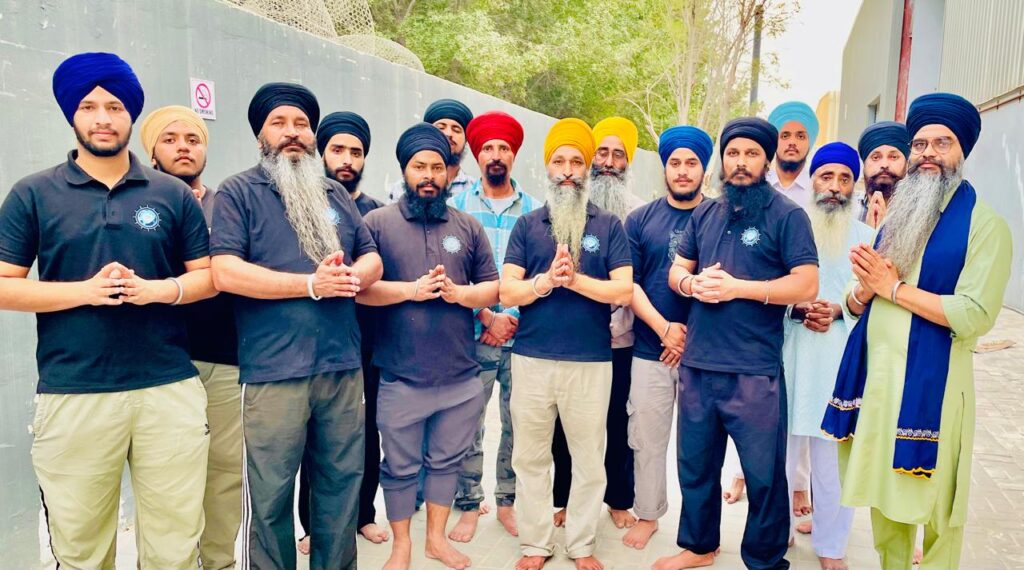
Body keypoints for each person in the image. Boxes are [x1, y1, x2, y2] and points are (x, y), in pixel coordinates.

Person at [0, 52, 215, 569]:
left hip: (168, 389)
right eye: (90, 107)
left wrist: (157, 290)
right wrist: (86, 292)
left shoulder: (170, 193)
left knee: (174, 546)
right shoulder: (33, 193)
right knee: (81, 548)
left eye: (115, 107)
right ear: (72, 114)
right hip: (74, 392)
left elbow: (207, 277)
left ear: (131, 114)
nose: (103, 118)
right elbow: (5, 286)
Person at [823, 93, 1013, 570]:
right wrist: (863, 291)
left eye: (942, 143)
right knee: (886, 507)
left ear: (962, 151)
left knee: (937, 517)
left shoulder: (985, 226)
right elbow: (857, 300)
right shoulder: (898, 217)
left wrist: (892, 288)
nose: (928, 153)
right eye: (920, 144)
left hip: (937, 393)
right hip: (879, 387)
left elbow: (974, 313)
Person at [210, 82, 383, 570]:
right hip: (273, 371)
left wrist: (354, 276)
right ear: (260, 135)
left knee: (341, 489)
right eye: (279, 123)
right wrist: (310, 284)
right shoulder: (238, 192)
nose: (292, 133)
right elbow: (225, 272)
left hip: (342, 366)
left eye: (302, 124)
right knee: (270, 497)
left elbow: (371, 256)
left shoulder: (334, 193)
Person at [658, 117, 819, 570]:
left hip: (754, 371)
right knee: (695, 465)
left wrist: (738, 288)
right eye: (733, 153)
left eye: (751, 154)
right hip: (698, 365)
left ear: (766, 160)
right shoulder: (705, 213)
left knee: (763, 475)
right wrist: (690, 284)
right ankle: (699, 547)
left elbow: (806, 284)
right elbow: (677, 269)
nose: (741, 162)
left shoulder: (787, 215)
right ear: (723, 160)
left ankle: (765, 559)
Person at [358, 122, 500, 570]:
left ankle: (435, 541)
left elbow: (492, 288)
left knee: (446, 463)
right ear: (405, 170)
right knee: (399, 467)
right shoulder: (377, 223)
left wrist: (460, 294)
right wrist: (411, 291)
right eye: (419, 166)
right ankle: (401, 546)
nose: (429, 176)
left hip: (460, 376)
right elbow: (360, 291)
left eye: (437, 168)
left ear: (449, 173)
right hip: (400, 375)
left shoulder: (467, 226)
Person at [500, 118, 634, 570]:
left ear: (588, 168)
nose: (568, 171)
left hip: (590, 363)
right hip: (532, 361)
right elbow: (507, 292)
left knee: (589, 460)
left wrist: (574, 280)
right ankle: (535, 543)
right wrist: (544, 282)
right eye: (559, 161)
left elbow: (623, 290)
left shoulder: (608, 225)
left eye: (577, 161)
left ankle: (581, 543)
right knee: (530, 457)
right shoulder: (527, 225)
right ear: (548, 167)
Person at [139, 104, 242, 570]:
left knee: (223, 473)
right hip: (160, 364)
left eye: (193, 139)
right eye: (170, 139)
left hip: (224, 360)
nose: (183, 147)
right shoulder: (138, 205)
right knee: (166, 481)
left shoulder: (229, 205)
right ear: (152, 151)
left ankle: (218, 561)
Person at [293, 111, 390, 555]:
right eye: (338, 150)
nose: (347, 159)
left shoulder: (375, 212)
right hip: (311, 343)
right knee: (312, 440)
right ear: (321, 152)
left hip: (366, 343)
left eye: (356, 152)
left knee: (364, 435)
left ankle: (364, 514)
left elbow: (379, 270)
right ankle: (312, 523)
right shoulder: (302, 202)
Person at [447, 110, 538, 542]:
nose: (496, 155)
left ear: (513, 155)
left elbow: (542, 274)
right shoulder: (457, 208)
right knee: (469, 423)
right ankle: (468, 504)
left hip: (523, 338)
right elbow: (450, 271)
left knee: (518, 424)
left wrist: (512, 318)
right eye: (488, 148)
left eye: (504, 148)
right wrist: (485, 315)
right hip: (471, 335)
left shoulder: (536, 211)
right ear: (477, 155)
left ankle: (507, 502)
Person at [621, 125, 712, 549]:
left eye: (691, 163)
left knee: (700, 448)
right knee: (646, 438)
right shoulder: (641, 219)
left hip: (704, 353)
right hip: (649, 349)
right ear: (664, 168)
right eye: (675, 163)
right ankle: (648, 513)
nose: (682, 171)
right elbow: (629, 284)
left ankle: (700, 527)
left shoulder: (720, 216)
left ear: (703, 169)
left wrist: (689, 337)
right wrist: (665, 330)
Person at [551, 116, 645, 530]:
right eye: (601, 154)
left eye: (617, 155)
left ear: (628, 162)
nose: (608, 162)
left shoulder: (639, 213)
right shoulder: (567, 205)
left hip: (622, 339)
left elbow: (639, 281)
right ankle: (563, 499)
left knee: (617, 422)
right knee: (565, 425)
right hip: (572, 338)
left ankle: (619, 499)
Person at [783, 142, 873, 570]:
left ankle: (832, 546)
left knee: (832, 464)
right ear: (812, 180)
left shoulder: (868, 239)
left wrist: (841, 310)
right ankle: (776, 531)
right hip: (789, 355)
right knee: (779, 456)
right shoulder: (788, 228)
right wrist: (796, 308)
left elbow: (877, 304)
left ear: (855, 186)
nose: (835, 187)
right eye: (826, 176)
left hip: (840, 363)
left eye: (844, 178)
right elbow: (767, 287)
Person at [388, 98, 476, 201]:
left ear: (466, 139)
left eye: (456, 130)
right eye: (441, 128)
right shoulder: (401, 189)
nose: (448, 134)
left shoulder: (476, 190)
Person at [857, 121, 910, 228]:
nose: (884, 165)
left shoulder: (920, 213)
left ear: (907, 164)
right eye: (876, 157)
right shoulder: (848, 210)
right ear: (864, 165)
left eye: (893, 157)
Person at [767, 101, 819, 208]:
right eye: (785, 136)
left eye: (800, 136)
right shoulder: (758, 185)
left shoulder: (818, 190)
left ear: (810, 143)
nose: (792, 142)